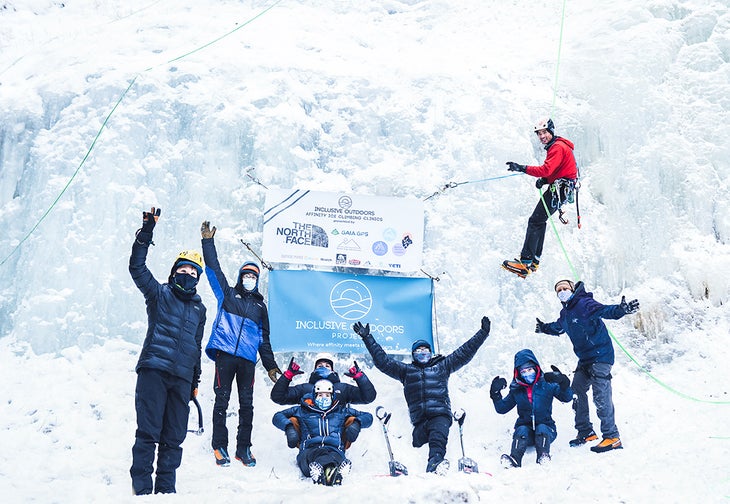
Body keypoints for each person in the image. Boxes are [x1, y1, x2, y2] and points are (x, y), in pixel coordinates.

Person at [129, 207, 207, 495]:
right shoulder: (159, 294)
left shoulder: (200, 309)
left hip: (182, 379)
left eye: (192, 272)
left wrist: (194, 383)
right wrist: (146, 233)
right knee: (148, 432)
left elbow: (196, 347)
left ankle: (166, 491)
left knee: (174, 437)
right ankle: (142, 490)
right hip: (154, 371)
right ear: (174, 272)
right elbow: (137, 268)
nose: (187, 274)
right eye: (182, 269)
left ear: (197, 278)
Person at [353, 317, 491, 474]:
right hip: (420, 421)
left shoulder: (442, 366)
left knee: (438, 436)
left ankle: (435, 463)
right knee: (417, 442)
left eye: (425, 351)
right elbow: (384, 362)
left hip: (440, 415)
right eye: (418, 353)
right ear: (413, 356)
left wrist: (483, 333)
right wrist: (367, 338)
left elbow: (464, 352)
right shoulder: (406, 371)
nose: (422, 355)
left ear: (431, 354)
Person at [200, 220, 282, 468]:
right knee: (221, 400)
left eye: (253, 276)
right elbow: (213, 269)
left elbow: (263, 339)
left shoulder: (260, 306)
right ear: (240, 277)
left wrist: (270, 366)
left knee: (247, 404)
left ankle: (243, 449)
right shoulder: (228, 295)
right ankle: (219, 446)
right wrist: (207, 241)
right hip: (225, 355)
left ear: (257, 280)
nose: (249, 279)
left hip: (247, 360)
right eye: (246, 275)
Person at [535, 279, 640, 453]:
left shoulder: (584, 303)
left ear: (572, 288)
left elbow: (605, 310)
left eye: (565, 288)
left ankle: (612, 437)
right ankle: (586, 431)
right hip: (584, 359)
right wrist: (543, 328)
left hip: (601, 356)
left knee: (600, 395)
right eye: (559, 290)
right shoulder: (565, 313)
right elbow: (558, 328)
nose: (562, 291)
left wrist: (621, 310)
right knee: (576, 390)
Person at [502, 118, 578, 277]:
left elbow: (546, 169)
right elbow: (557, 170)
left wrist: (522, 168)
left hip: (559, 189)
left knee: (535, 221)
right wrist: (546, 180)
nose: (542, 136)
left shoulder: (557, 147)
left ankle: (526, 261)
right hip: (561, 188)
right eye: (539, 134)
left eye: (544, 132)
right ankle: (534, 260)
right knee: (539, 221)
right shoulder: (558, 146)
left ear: (551, 131)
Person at [272, 379, 373, 485]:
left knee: (335, 455)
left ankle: (326, 473)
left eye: (327, 395)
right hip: (309, 450)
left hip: (334, 449)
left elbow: (368, 417)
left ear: (332, 396)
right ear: (314, 396)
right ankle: (332, 471)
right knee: (318, 455)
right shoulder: (302, 410)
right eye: (320, 395)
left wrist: (357, 423)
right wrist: (288, 427)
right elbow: (277, 416)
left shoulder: (340, 411)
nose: (324, 398)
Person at [490, 349, 573, 467]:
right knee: (521, 429)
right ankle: (514, 459)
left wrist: (564, 383)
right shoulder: (517, 389)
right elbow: (502, 408)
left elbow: (567, 398)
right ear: (518, 373)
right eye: (523, 371)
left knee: (542, 427)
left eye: (529, 369)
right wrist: (495, 394)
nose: (527, 373)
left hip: (547, 430)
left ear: (536, 368)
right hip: (526, 434)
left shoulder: (547, 384)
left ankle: (543, 457)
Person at [270, 352, 376, 408]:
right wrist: (287, 376)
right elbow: (277, 397)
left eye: (327, 366)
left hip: (337, 438)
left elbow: (368, 397)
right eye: (320, 365)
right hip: (309, 438)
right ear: (314, 369)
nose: (323, 367)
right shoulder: (305, 389)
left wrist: (360, 377)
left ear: (333, 370)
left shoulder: (343, 389)